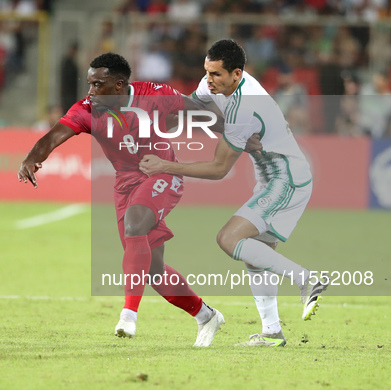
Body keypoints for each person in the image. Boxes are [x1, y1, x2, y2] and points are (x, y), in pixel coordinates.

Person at [18, 52, 259, 346]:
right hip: (125, 183)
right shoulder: (87, 109)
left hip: (161, 173)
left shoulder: (155, 94)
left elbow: (199, 112)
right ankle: (206, 316)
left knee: (134, 224)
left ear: (119, 85)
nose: (91, 92)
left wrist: (241, 136)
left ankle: (128, 315)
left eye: (98, 85)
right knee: (153, 271)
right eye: (89, 84)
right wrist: (32, 159)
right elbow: (53, 137)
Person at [139, 39, 328, 347]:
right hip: (271, 176)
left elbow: (218, 168)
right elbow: (196, 103)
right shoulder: (214, 84)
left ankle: (306, 279)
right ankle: (271, 333)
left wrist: (165, 166)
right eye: (207, 72)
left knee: (229, 239)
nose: (208, 80)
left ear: (237, 74)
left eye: (216, 75)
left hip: (286, 178)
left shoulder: (246, 107)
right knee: (257, 256)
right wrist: (169, 111)